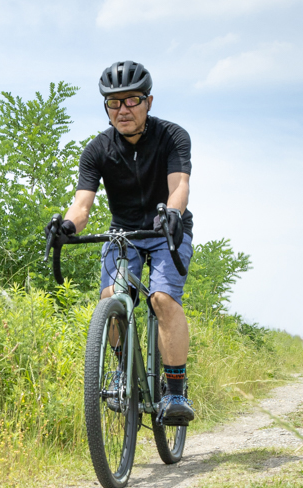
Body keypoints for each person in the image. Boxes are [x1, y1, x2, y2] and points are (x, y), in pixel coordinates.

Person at [47, 60, 196, 426]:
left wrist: (172, 215)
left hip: (166, 231)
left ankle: (175, 392)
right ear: (106, 107)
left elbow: (179, 186)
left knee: (161, 298)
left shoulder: (173, 136)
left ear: (148, 101)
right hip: (124, 233)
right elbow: (82, 205)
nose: (123, 110)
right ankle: (122, 370)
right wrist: (67, 224)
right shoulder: (97, 149)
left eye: (131, 101)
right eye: (114, 103)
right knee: (111, 298)